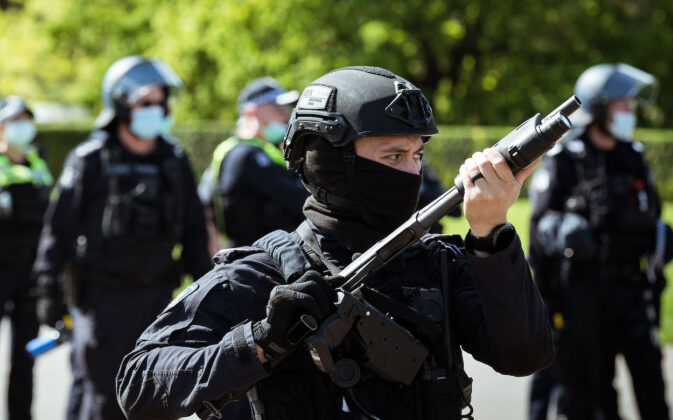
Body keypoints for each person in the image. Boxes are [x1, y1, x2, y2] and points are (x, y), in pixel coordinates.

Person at [117, 66, 554, 420]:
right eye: (392, 156)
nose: (410, 172)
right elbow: (137, 384)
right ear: (329, 161)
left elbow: (524, 355)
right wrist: (262, 341)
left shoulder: (438, 263)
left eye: (417, 155)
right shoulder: (260, 273)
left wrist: (491, 236)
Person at [32, 55, 213, 420]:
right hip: (101, 305)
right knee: (104, 400)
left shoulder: (174, 161)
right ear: (120, 103)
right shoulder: (90, 160)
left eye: (162, 102)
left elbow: (194, 234)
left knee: (157, 400)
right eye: (146, 102)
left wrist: (211, 295)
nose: (157, 109)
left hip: (158, 302)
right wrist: (47, 291)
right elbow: (58, 232)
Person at [528, 63, 673, 420]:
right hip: (583, 295)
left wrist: (661, 236)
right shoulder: (565, 159)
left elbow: (651, 211)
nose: (631, 112)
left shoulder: (634, 155)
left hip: (632, 290)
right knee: (587, 393)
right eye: (623, 104)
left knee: (652, 386)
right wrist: (562, 227)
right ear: (598, 107)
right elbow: (539, 227)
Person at [199, 77, 309, 250]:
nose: (286, 115)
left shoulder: (243, 150)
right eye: (277, 107)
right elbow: (302, 199)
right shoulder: (245, 156)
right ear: (251, 111)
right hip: (258, 260)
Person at [0, 96, 52, 420]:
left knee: (25, 359)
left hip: (29, 272)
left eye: (26, 118)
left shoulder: (38, 162)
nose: (23, 125)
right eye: (15, 119)